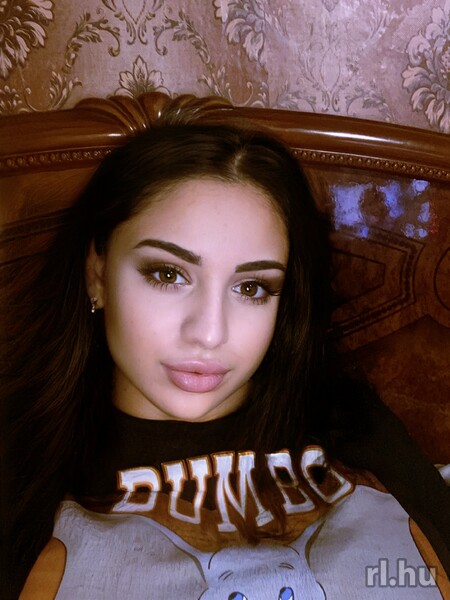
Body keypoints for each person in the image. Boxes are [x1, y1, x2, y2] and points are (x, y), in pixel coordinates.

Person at [1, 97, 449, 599]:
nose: (210, 333)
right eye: (167, 274)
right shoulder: (20, 468)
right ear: (97, 274)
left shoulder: (352, 423)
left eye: (251, 287)